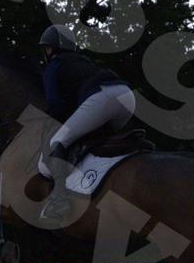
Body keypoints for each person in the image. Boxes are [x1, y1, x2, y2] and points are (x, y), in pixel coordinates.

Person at [36, 24, 137, 220]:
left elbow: (55, 105)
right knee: (95, 139)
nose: (46, 52)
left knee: (57, 142)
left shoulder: (54, 65)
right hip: (127, 96)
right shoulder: (83, 61)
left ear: (51, 49)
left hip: (102, 98)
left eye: (46, 48)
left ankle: (59, 199)